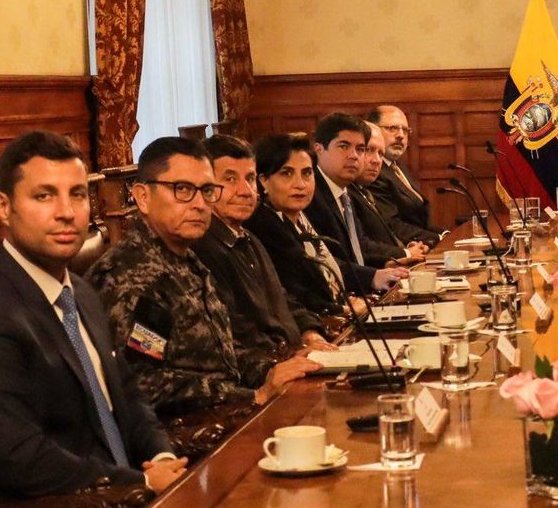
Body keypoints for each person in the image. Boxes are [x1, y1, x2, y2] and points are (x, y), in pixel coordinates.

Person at [0, 131, 184, 497]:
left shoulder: (80, 291)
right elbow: (18, 457)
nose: (66, 212)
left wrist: (161, 456)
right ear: (3, 207)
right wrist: (139, 484)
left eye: (77, 194)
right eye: (44, 196)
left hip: (133, 494)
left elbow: (127, 394)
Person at [86, 137, 316, 417]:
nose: (199, 204)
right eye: (182, 189)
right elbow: (143, 384)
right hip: (187, 431)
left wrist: (275, 369)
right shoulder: (133, 275)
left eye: (207, 190)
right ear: (143, 197)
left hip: (230, 412)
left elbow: (220, 357)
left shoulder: (185, 259)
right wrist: (253, 396)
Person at [193, 134, 335, 371]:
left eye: (249, 178)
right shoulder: (203, 247)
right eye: (230, 179)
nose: (245, 191)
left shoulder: (249, 238)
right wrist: (287, 356)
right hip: (264, 372)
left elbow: (282, 299)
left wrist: (310, 332)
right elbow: (234, 331)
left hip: (292, 359)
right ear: (206, 188)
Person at [245, 132, 407, 321]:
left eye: (307, 173)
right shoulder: (263, 226)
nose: (300, 184)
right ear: (263, 180)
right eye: (286, 173)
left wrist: (373, 278)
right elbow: (292, 293)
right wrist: (341, 309)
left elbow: (324, 267)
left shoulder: (299, 216)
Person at [306, 111, 403, 272]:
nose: (354, 156)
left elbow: (357, 250)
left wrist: (386, 264)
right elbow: (325, 262)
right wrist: (373, 276)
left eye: (360, 149)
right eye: (344, 146)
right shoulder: (311, 195)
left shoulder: (345, 191)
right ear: (319, 150)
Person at [355, 121, 436, 258]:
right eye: (369, 150)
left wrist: (407, 246)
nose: (377, 160)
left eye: (381, 154)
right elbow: (361, 246)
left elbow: (382, 235)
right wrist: (405, 253)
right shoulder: (350, 192)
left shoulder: (397, 166)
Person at [367, 104, 442, 236]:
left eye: (405, 130)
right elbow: (391, 224)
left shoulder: (397, 165)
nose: (401, 135)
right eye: (392, 128)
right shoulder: (372, 172)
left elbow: (417, 220)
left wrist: (443, 234)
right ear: (373, 131)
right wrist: (437, 238)